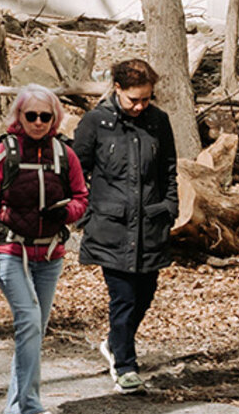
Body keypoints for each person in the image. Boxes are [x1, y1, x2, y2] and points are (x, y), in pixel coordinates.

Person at [0, 85, 88, 414]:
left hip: (50, 253)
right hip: (10, 250)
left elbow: (81, 196)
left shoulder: (65, 155)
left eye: (45, 116)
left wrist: (65, 215)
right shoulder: (1, 154)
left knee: (34, 329)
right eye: (30, 115)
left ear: (55, 119)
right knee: (29, 322)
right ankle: (31, 406)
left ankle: (14, 405)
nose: (37, 122)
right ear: (19, 116)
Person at [71, 58, 178, 394]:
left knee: (145, 296)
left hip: (150, 226)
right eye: (134, 99)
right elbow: (76, 171)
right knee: (124, 297)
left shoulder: (158, 122)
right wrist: (86, 212)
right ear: (117, 89)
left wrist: (171, 207)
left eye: (146, 98)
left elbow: (170, 170)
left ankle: (115, 341)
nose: (140, 106)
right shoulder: (95, 122)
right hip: (110, 227)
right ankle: (126, 366)